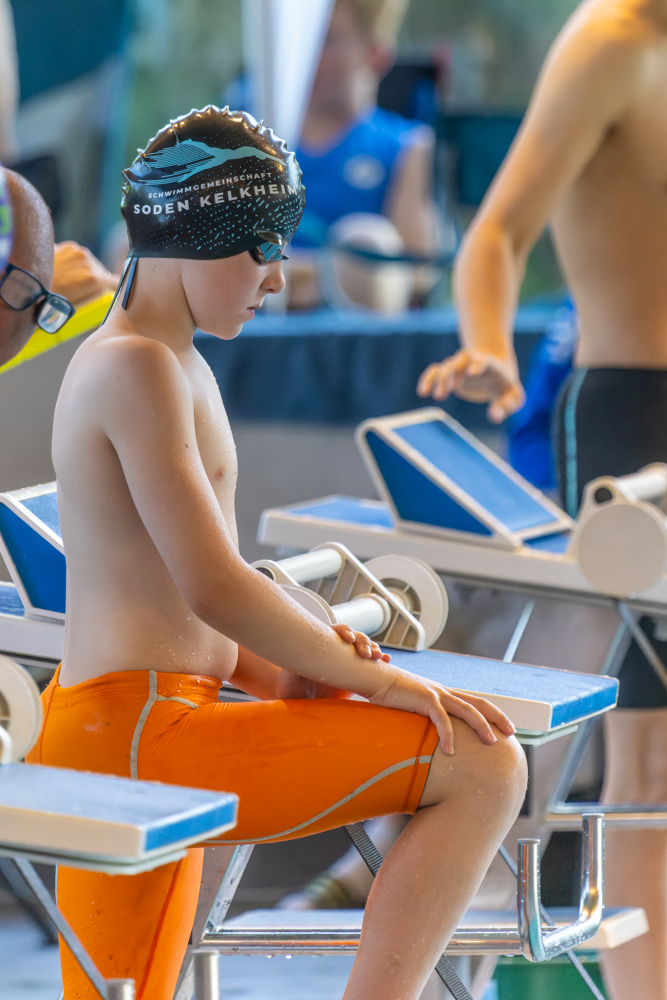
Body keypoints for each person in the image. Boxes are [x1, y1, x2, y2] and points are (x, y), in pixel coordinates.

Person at [26, 106, 527, 1000]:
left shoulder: (175, 361)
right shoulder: (135, 367)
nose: (277, 276)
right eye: (262, 246)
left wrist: (301, 656)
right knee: (484, 765)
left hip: (149, 727)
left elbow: (189, 587)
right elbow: (213, 586)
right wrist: (381, 682)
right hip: (138, 738)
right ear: (190, 235)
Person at [417, 2, 667, 996]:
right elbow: (496, 234)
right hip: (637, 422)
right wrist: (487, 345)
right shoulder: (611, 43)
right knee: (650, 762)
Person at [288, 0, 438, 311]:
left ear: (376, 54)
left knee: (367, 240)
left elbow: (418, 271)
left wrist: (341, 271)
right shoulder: (252, 144)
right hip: (257, 328)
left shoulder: (407, 146)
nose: (310, 53)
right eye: (303, 38)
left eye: (328, 40)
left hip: (357, 330)